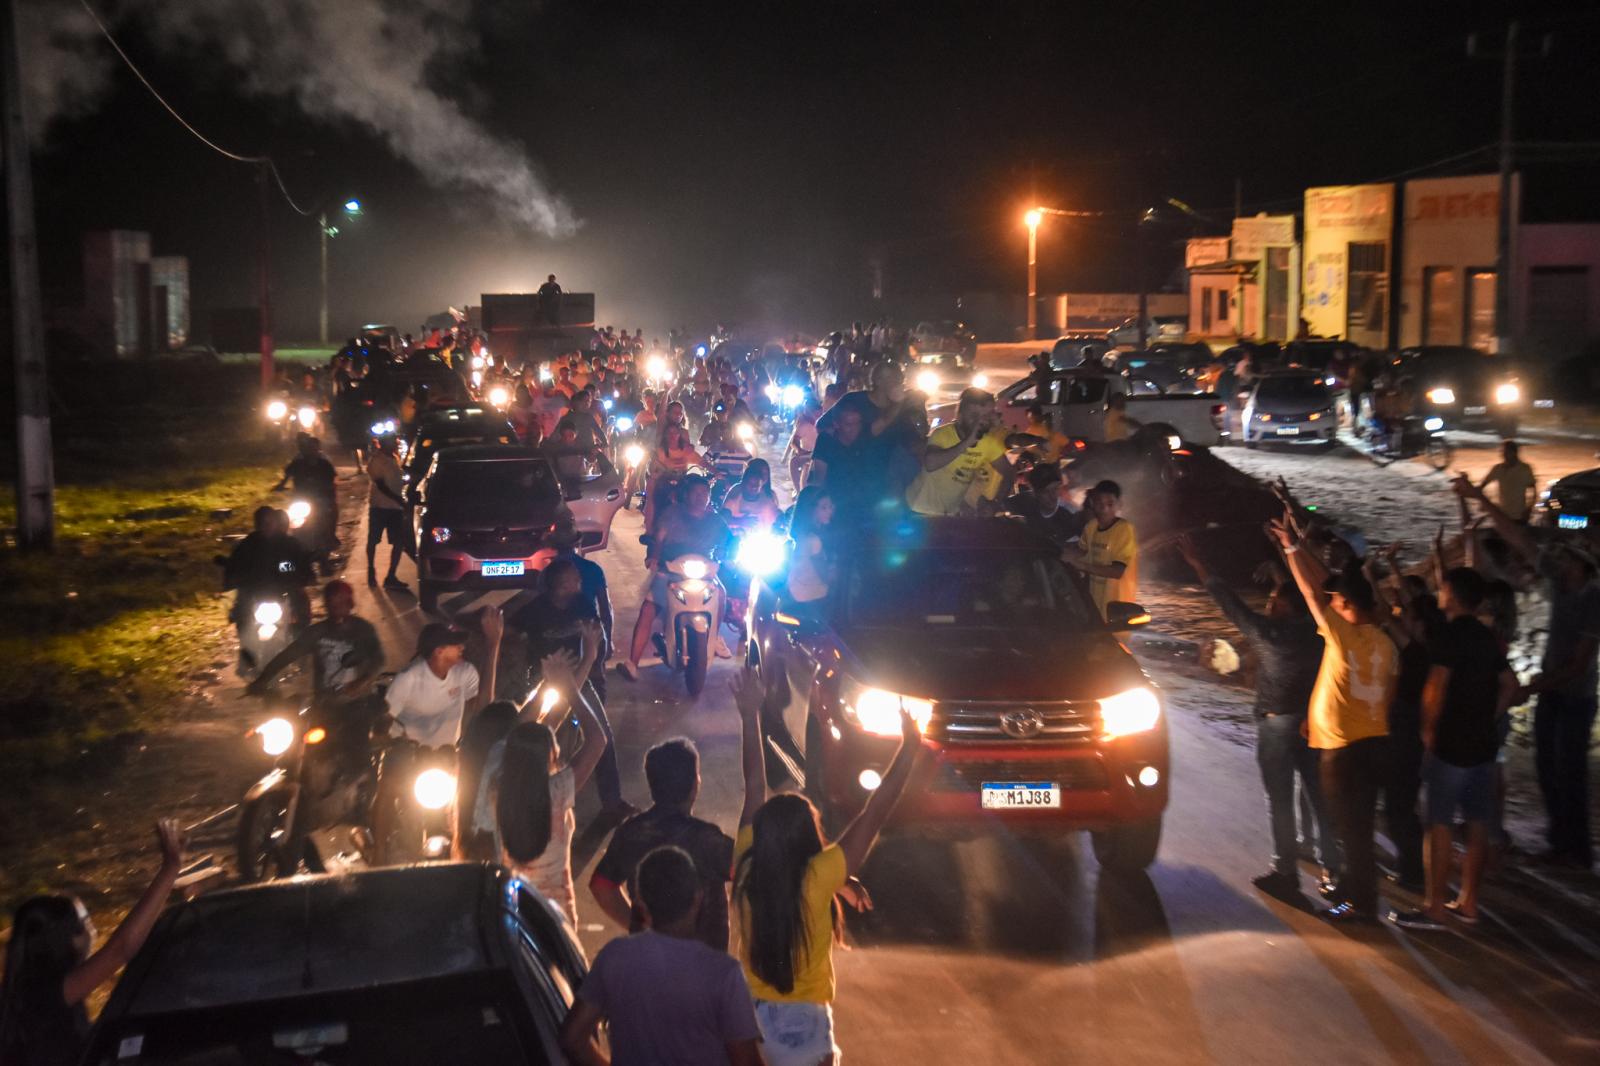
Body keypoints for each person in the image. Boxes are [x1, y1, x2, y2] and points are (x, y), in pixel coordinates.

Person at [731, 665, 923, 1066]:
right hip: (808, 1023)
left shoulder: (747, 865)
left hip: (751, 1016)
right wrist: (909, 746)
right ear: (808, 839)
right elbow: (877, 810)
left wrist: (749, 713)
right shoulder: (818, 876)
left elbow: (753, 783)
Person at [1175, 534, 1333, 900]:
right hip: (1313, 724)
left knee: (1279, 800)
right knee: (1318, 797)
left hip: (1276, 723)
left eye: (1275, 599)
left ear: (1286, 608)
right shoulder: (1321, 633)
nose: (1270, 602)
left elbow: (1230, 604)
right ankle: (1333, 870)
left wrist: (1199, 565)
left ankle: (1285, 872)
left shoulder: (1269, 633)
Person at [1456, 476, 1600, 869]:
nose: (1558, 559)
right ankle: (1560, 844)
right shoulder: (1561, 583)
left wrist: (1532, 687)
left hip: (1575, 697)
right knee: (1549, 769)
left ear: (1580, 564)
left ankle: (1576, 850)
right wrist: (1477, 498)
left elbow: (1579, 665)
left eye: (1566, 556)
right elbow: (1520, 540)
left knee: (1568, 774)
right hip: (1554, 692)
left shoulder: (1592, 600)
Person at [1272, 513, 1398, 924]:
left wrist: (1291, 548)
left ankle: (1361, 907)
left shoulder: (1341, 635)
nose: (1333, 605)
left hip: (1344, 750)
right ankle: (1353, 894)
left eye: (1338, 601)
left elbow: (1311, 591)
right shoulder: (1386, 642)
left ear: (1345, 605)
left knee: (1352, 833)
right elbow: (1388, 697)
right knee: (1357, 828)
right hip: (1376, 743)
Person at [1390, 568, 1518, 930]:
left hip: (1451, 744)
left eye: (1443, 588)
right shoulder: (1486, 636)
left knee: (1439, 823)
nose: (1440, 593)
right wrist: (1487, 717)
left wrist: (1429, 730)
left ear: (1452, 594)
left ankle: (1434, 908)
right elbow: (1510, 685)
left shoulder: (1448, 634)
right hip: (1483, 747)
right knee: (1477, 821)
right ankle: (1469, 903)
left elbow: (1436, 685)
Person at [0, 820, 185, 1066]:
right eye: (86, 921)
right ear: (68, 940)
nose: (94, 927)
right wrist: (170, 869)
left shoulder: (22, 985)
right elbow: (121, 948)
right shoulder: (51, 992)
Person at [561, 847, 765, 1066]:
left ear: (641, 905)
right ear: (698, 898)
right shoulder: (724, 973)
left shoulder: (614, 957)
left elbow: (572, 1039)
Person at [481, 648, 609, 928]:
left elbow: (518, 733)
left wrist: (550, 685)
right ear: (550, 756)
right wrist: (568, 686)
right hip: (555, 913)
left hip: (512, 907)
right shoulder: (557, 792)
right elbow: (597, 740)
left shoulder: (496, 785)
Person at [510, 559, 631, 817]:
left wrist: (596, 660)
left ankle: (612, 802)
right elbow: (511, 633)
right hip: (543, 684)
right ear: (560, 586)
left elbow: (596, 634)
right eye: (573, 579)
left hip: (579, 678)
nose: (579, 582)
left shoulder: (582, 604)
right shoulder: (536, 609)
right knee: (535, 736)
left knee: (602, 736)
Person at [589, 739, 737, 950]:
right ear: (695, 786)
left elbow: (601, 886)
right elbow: (747, 870)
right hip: (704, 964)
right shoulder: (706, 839)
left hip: (649, 959)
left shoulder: (632, 832)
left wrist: (635, 925)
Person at [619, 476, 731, 680]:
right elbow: (658, 539)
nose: (701, 497)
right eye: (697, 493)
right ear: (686, 495)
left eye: (705, 493)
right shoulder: (672, 514)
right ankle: (632, 663)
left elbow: (729, 543)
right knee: (649, 608)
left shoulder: (715, 520)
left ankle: (714, 637)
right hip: (671, 569)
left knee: (721, 594)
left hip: (703, 572)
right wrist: (654, 557)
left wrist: (728, 556)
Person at [906, 388, 1023, 516]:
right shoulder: (942, 434)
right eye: (973, 416)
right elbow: (931, 464)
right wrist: (968, 442)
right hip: (919, 509)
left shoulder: (988, 442)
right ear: (960, 416)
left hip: (949, 513)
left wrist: (995, 502)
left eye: (984, 416)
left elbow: (1009, 473)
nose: (979, 421)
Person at [220, 505, 313, 647]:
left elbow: (298, 563)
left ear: (276, 522)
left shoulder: (289, 544)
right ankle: (246, 651)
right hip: (256, 594)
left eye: (269, 522)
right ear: (256, 525)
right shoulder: (247, 545)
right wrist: (233, 576)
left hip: (284, 591)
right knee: (241, 613)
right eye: (262, 523)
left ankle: (301, 648)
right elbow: (236, 564)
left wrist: (297, 573)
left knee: (301, 609)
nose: (266, 526)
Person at [1062, 480, 1138, 619]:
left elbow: (1117, 571)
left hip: (1117, 614)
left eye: (1110, 504)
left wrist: (1080, 565)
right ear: (1092, 503)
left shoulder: (1124, 530)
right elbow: (1080, 552)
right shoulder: (1091, 527)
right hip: (1093, 611)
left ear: (1119, 504)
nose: (1104, 509)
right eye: (1099, 503)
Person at [365, 435, 412, 590]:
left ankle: (391, 575)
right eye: (393, 442)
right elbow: (381, 485)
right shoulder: (376, 460)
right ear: (384, 443)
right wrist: (399, 500)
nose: (396, 444)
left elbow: (395, 480)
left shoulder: (394, 458)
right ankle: (371, 569)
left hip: (395, 509)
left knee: (399, 542)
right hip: (380, 507)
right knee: (373, 541)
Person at [1001, 463, 1084, 549]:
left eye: (1055, 488)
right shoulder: (1026, 501)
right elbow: (999, 506)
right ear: (1036, 493)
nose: (1052, 495)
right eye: (1046, 491)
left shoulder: (1071, 516)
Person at [1479, 440, 1536, 523]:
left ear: (1514, 452)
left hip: (1520, 516)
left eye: (1506, 452)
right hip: (1502, 515)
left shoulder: (1524, 469)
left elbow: (1533, 493)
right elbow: (1481, 487)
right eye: (1502, 452)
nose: (1502, 455)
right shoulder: (1497, 469)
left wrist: (1528, 510)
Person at [722, 458, 782, 532]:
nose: (763, 477)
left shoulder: (770, 495)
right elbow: (723, 517)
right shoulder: (738, 491)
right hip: (736, 535)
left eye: (765, 473)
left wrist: (781, 520)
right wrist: (740, 521)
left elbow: (776, 514)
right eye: (760, 473)